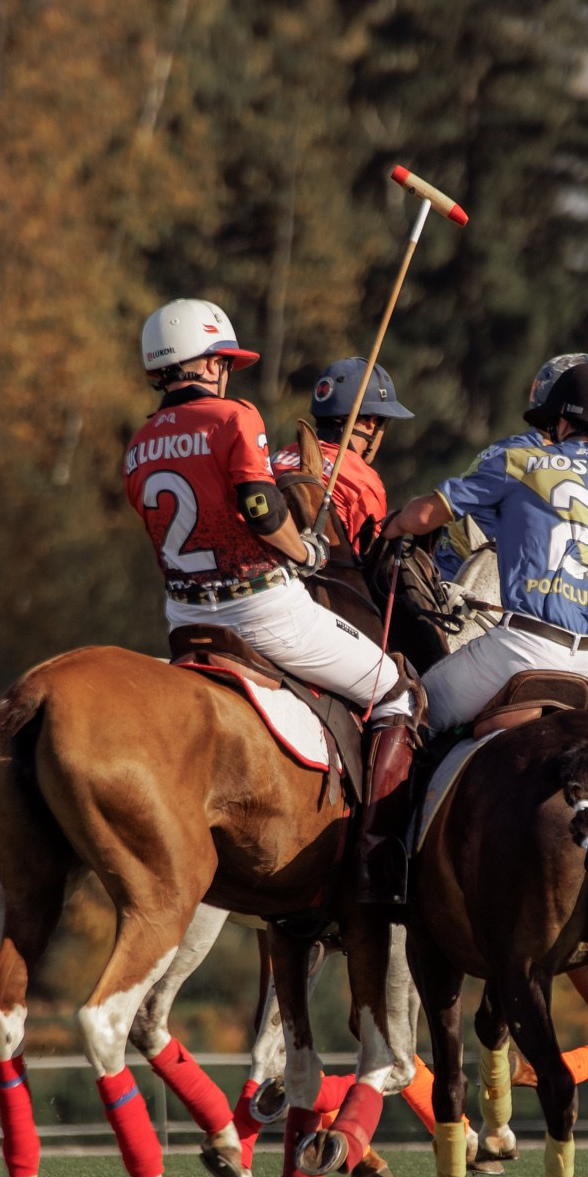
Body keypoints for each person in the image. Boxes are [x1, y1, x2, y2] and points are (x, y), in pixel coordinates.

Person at [122, 300, 418, 898]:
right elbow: (260, 509)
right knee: (397, 691)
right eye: (224, 359)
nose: (227, 371)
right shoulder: (234, 417)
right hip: (257, 607)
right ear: (206, 362)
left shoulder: (139, 442)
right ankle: (375, 858)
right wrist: (305, 553)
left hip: (183, 616)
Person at [384, 357, 588, 736]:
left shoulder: (520, 460)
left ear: (561, 421)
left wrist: (389, 526)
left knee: (402, 707)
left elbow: (421, 518)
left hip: (523, 648)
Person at [270, 356, 411, 551]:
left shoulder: (281, 455)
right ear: (372, 421)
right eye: (385, 423)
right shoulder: (362, 482)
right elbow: (363, 561)